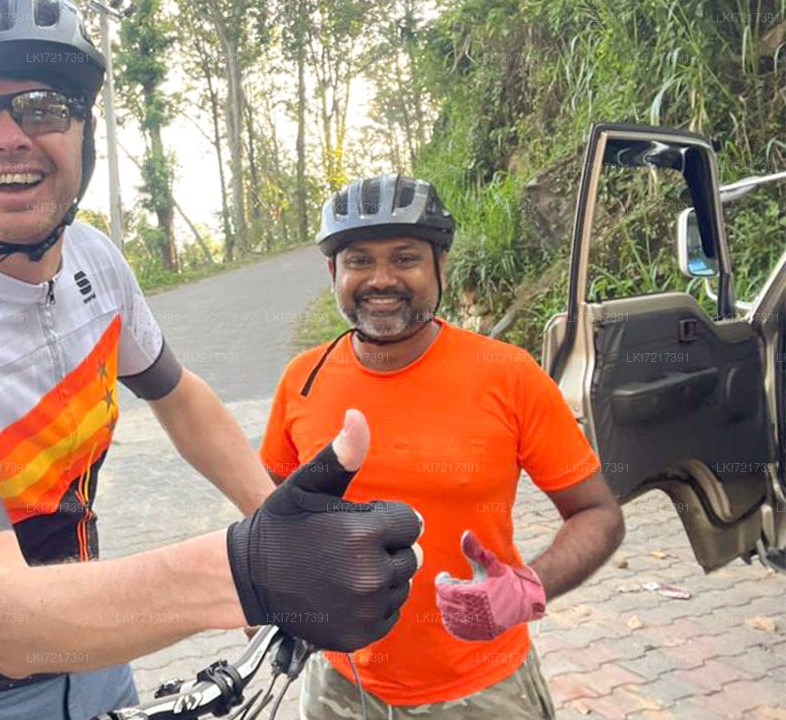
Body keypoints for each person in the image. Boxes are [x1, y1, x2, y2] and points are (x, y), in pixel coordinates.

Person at [0, 2, 424, 718]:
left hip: (100, 650)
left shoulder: (95, 261)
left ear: (85, 133)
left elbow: (178, 394)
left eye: (43, 107)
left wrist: (279, 522)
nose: (8, 137)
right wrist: (253, 572)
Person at [260, 174, 627, 719]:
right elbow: (270, 514)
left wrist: (528, 587)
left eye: (405, 258)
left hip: (483, 689)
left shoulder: (508, 374)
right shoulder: (302, 380)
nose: (381, 279)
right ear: (333, 273)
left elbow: (598, 514)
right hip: (339, 684)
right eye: (358, 261)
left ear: (441, 267)